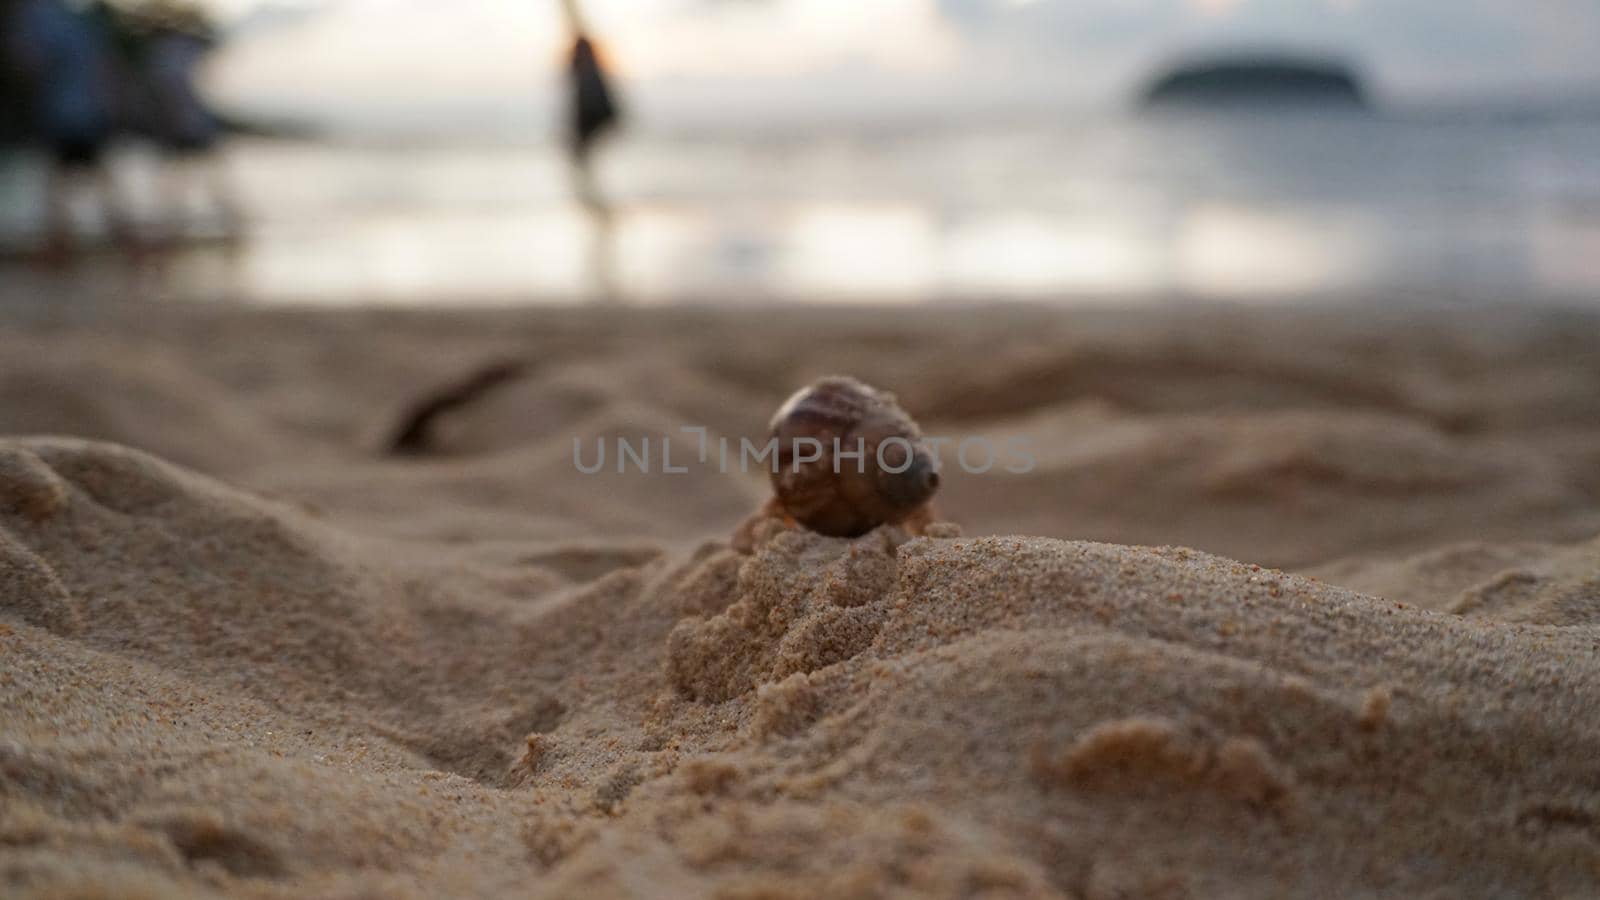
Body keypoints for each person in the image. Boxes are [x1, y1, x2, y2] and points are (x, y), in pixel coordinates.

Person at [6, 0, 130, 259]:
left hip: (63, 111)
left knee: (61, 177)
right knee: (91, 174)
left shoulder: (36, 14)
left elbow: (30, 61)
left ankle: (62, 243)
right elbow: (103, 64)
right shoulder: (76, 19)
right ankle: (121, 238)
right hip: (88, 110)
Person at [560, 0, 621, 299]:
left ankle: (602, 214)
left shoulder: (582, 47)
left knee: (585, 168)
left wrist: (577, 126)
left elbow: (585, 90)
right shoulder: (586, 46)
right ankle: (600, 213)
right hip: (592, 118)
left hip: (589, 119)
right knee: (587, 169)